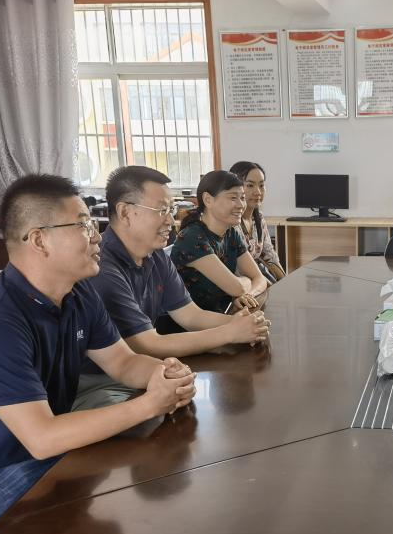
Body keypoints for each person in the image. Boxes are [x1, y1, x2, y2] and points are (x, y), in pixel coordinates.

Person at [0, 174, 197, 534]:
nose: (97, 235)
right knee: (131, 508)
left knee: (145, 468)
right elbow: (43, 438)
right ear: (39, 239)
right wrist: (150, 404)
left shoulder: (79, 294)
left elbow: (123, 361)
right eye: (83, 225)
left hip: (37, 456)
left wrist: (163, 374)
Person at [74, 165, 271, 409]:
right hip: (100, 381)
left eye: (171, 210)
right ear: (125, 212)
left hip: (143, 369)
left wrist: (241, 324)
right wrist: (229, 333)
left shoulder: (154, 255)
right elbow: (147, 344)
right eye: (161, 210)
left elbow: (191, 316)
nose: (170, 220)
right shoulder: (103, 268)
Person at [170, 170, 269, 313]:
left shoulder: (231, 233)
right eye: (233, 198)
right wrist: (246, 282)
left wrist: (248, 295)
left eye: (242, 197)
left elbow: (259, 278)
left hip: (224, 316)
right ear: (208, 200)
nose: (241, 205)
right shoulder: (192, 238)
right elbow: (236, 288)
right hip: (194, 323)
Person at [230, 160, 285, 282]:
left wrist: (285, 281)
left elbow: (270, 256)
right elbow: (237, 270)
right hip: (240, 284)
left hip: (258, 281)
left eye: (261, 185)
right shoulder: (231, 223)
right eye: (250, 185)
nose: (258, 192)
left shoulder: (258, 218)